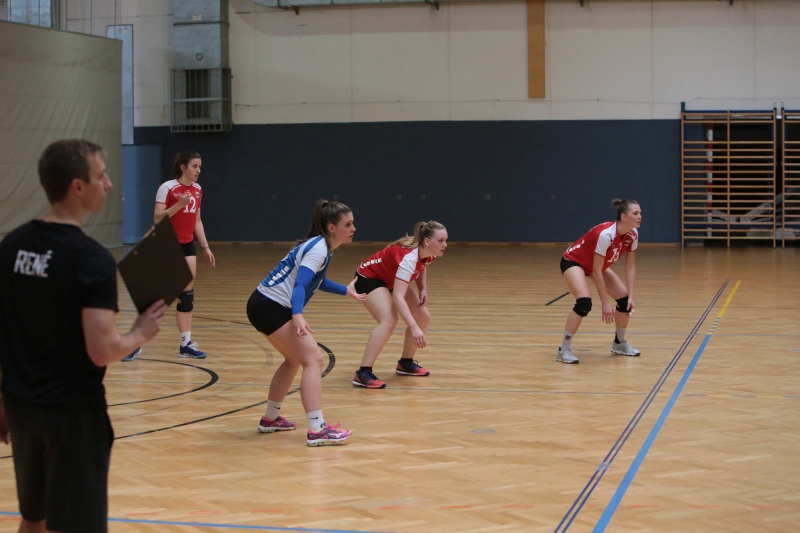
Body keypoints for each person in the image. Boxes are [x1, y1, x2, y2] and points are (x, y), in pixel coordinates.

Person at [0, 139, 166, 533]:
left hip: (21, 409)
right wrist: (140, 333)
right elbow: (102, 350)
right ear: (77, 186)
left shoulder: (12, 246)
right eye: (101, 176)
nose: (108, 184)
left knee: (34, 520)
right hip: (72, 417)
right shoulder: (91, 259)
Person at [246, 199, 364, 446]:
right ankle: (317, 429)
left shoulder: (321, 246)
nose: (353, 228)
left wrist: (346, 291)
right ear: (331, 227)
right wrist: (297, 314)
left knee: (293, 360)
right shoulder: (319, 248)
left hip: (262, 304)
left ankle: (270, 418)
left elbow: (316, 281)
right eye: (348, 224)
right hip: (272, 307)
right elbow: (300, 283)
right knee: (314, 359)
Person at [124, 151, 216, 361]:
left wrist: (205, 247)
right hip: (164, 245)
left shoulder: (198, 189)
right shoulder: (168, 188)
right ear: (183, 167)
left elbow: (197, 220)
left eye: (200, 167)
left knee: (186, 296)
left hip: (186, 246)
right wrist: (179, 205)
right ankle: (135, 343)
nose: (198, 170)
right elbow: (158, 218)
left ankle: (186, 345)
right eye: (194, 166)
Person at [351, 221, 448, 389]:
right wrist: (413, 327)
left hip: (390, 277)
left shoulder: (429, 252)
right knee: (389, 321)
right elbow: (398, 297)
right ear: (427, 241)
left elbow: (422, 265)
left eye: (445, 240)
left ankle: (405, 363)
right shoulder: (408, 258)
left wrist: (422, 289)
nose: (445, 245)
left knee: (422, 316)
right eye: (441, 241)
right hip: (369, 278)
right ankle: (363, 372)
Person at [556, 198, 642, 364]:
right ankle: (564, 349)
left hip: (594, 266)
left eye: (640, 213)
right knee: (584, 302)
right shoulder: (606, 234)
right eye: (636, 213)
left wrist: (631, 296)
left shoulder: (633, 234)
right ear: (624, 217)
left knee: (624, 300)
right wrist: (605, 302)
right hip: (574, 261)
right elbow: (596, 271)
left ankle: (619, 343)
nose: (640, 216)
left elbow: (630, 266)